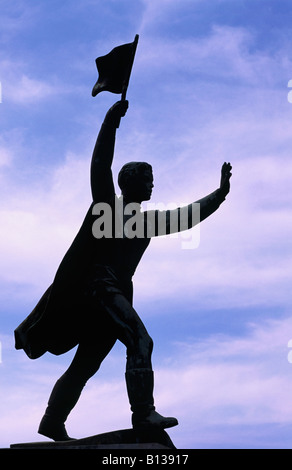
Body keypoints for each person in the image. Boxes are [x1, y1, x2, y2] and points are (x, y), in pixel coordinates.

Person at [15, 100, 232, 441]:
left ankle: (52, 420)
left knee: (86, 365)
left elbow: (187, 215)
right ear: (128, 182)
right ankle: (143, 414)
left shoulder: (146, 222)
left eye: (152, 179)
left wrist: (219, 195)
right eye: (147, 179)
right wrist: (110, 123)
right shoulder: (107, 209)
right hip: (99, 288)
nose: (152, 185)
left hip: (114, 292)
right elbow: (100, 166)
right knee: (140, 339)